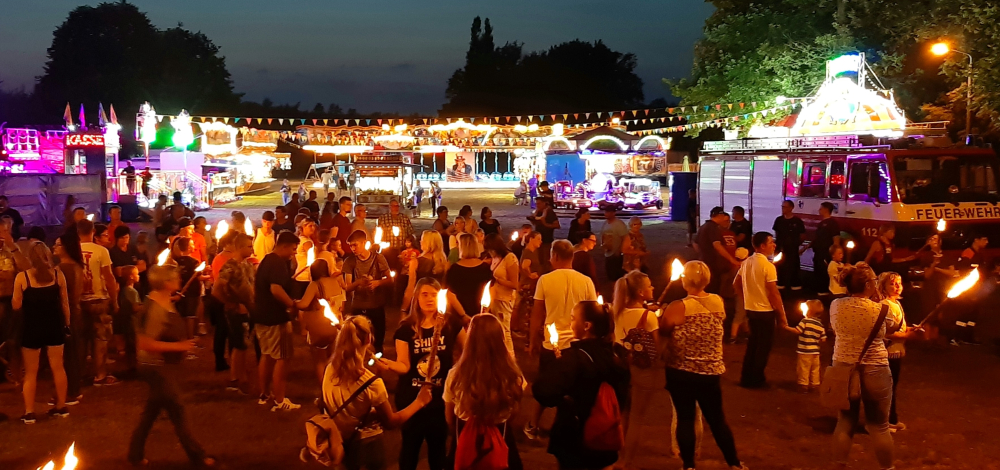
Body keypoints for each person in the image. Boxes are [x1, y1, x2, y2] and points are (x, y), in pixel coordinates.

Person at [659, 261, 747, 470]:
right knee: (717, 419)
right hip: (710, 371)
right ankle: (734, 463)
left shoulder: (678, 307)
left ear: (684, 280)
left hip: (681, 371)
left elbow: (663, 330)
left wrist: (658, 312)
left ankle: (689, 465)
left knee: (685, 418)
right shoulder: (717, 302)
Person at [314, 315, 433, 469]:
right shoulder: (371, 383)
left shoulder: (330, 369)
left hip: (339, 440)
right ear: (369, 339)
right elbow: (391, 421)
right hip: (367, 446)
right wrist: (419, 402)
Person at [128, 266, 215, 468]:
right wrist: (179, 346)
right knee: (178, 411)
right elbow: (144, 343)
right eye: (175, 278)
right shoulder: (155, 309)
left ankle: (135, 455)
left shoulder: (162, 299)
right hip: (156, 367)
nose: (179, 280)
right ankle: (198, 456)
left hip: (163, 367)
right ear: (166, 283)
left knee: (150, 413)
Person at [380, 278, 468, 470]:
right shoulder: (405, 329)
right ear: (416, 298)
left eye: (434, 295)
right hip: (413, 398)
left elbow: (468, 351)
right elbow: (404, 365)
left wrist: (458, 373)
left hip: (441, 398)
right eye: (424, 294)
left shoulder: (451, 324)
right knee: (410, 449)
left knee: (438, 450)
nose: (429, 299)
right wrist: (390, 365)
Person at [532, 300, 629, 470]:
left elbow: (544, 391)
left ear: (586, 326)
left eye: (573, 318)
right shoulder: (616, 354)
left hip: (575, 439)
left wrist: (557, 377)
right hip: (606, 438)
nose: (570, 323)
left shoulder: (576, 358)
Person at [830, 263, 900, 469]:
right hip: (875, 368)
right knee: (879, 426)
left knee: (845, 422)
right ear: (869, 284)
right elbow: (895, 326)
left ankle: (838, 466)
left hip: (843, 367)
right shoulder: (881, 310)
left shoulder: (836, 305)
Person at [525, 240, 598, 439]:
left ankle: (533, 424)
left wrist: (533, 340)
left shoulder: (545, 280)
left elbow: (537, 314)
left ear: (555, 256)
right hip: (577, 344)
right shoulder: (585, 282)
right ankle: (569, 425)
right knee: (575, 388)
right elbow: (592, 313)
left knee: (544, 385)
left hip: (552, 343)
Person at [443, 314, 524, 469]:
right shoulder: (513, 375)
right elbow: (514, 410)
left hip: (464, 436)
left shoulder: (455, 375)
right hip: (502, 434)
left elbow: (449, 417)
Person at [14, 242, 71, 424]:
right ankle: (61, 406)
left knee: (31, 372)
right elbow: (65, 304)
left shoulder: (23, 278)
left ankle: (29, 411)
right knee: (58, 366)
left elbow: (16, 305)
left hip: (32, 328)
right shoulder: (57, 275)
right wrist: (67, 324)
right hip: (54, 326)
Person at [611, 270, 662, 470]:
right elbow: (657, 349)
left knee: (623, 415)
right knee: (637, 419)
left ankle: (618, 455)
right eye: (649, 286)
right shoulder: (649, 318)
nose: (653, 288)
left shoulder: (617, 312)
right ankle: (626, 461)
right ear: (641, 292)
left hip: (621, 369)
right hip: (642, 372)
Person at [253, 231, 301, 411]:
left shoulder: (266, 260)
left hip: (261, 316)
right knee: (282, 357)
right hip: (275, 318)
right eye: (293, 249)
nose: (294, 253)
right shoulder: (277, 263)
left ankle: (264, 394)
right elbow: (276, 289)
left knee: (267, 355)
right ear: (284, 246)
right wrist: (292, 304)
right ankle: (280, 400)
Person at [735, 232, 789, 389]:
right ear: (762, 246)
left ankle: (746, 377)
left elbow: (736, 283)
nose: (774, 245)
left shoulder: (747, 262)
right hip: (765, 311)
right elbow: (773, 292)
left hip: (751, 309)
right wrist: (782, 316)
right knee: (763, 347)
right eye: (771, 242)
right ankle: (757, 379)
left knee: (753, 344)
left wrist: (746, 299)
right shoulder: (768, 266)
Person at [874, 271, 920, 433]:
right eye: (892, 284)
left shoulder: (896, 304)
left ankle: (892, 418)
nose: (897, 287)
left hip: (897, 352)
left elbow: (898, 327)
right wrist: (906, 335)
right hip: (887, 353)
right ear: (883, 286)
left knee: (892, 387)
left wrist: (909, 329)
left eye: (899, 283)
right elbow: (886, 332)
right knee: (885, 388)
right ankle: (882, 421)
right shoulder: (885, 305)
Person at [78, 219, 119, 386]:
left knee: (81, 339)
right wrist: (114, 300)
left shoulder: (72, 251)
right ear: (93, 232)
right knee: (100, 339)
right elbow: (108, 277)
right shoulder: (101, 251)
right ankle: (100, 374)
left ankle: (78, 374)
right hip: (98, 298)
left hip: (79, 300)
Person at [214, 233, 255, 394]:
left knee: (243, 345)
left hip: (247, 310)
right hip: (236, 312)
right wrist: (231, 303)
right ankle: (235, 379)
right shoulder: (230, 266)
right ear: (240, 247)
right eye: (249, 246)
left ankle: (241, 376)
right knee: (239, 345)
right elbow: (217, 289)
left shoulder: (247, 265)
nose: (252, 249)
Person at [295, 258, 346, 386]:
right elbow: (342, 304)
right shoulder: (336, 282)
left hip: (321, 326)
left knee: (320, 360)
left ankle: (325, 388)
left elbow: (304, 304)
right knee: (334, 358)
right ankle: (336, 385)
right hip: (338, 325)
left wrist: (293, 302)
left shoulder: (315, 285)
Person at [343, 230, 392, 353]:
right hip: (358, 306)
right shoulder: (350, 261)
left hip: (376, 305)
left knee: (378, 341)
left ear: (364, 243)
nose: (353, 248)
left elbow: (390, 279)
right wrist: (358, 282)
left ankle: (379, 369)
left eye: (355, 245)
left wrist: (377, 283)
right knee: (357, 341)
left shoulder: (378, 258)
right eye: (350, 245)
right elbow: (347, 287)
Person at [54, 233, 85, 405]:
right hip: (75, 313)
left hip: (67, 314)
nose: (54, 247)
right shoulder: (76, 266)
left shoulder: (64, 268)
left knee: (67, 354)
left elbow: (64, 296)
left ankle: (70, 391)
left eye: (58, 245)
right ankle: (73, 389)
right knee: (73, 353)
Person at [484, 233, 519, 357]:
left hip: (505, 299)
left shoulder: (510, 258)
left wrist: (498, 280)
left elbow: (515, 284)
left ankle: (511, 358)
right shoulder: (496, 258)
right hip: (495, 297)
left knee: (505, 330)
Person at [444, 233, 493, 321]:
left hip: (459, 313)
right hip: (481, 310)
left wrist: (463, 315)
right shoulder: (485, 268)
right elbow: (491, 291)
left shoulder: (454, 269)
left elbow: (450, 294)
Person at [783, 299, 826, 393]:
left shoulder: (805, 321)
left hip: (804, 351)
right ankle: (815, 384)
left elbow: (798, 331)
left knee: (803, 367)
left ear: (808, 311)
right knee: (815, 368)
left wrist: (786, 327)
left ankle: (803, 385)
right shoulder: (820, 325)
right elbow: (823, 339)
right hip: (815, 352)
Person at [696, 207, 740, 294]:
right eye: (723, 215)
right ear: (719, 215)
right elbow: (717, 245)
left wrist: (702, 254)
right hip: (713, 263)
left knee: (706, 286)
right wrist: (732, 260)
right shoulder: (713, 228)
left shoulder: (703, 227)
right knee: (713, 287)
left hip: (704, 261)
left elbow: (695, 243)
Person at [402, 231, 448, 310]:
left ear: (428, 243)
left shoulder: (416, 262)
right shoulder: (444, 263)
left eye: (422, 239)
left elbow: (410, 288)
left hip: (421, 303)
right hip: (438, 302)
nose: (420, 241)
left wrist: (404, 308)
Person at [801, 202, 841, 292]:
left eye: (821, 208)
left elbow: (836, 239)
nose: (819, 210)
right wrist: (805, 248)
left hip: (825, 253)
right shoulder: (821, 223)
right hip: (818, 253)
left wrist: (835, 254)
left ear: (826, 210)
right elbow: (816, 239)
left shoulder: (832, 223)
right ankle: (819, 290)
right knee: (818, 272)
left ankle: (825, 292)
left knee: (824, 273)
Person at [773, 200, 806, 290]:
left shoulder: (797, 221)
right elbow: (776, 233)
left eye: (785, 207)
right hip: (780, 248)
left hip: (792, 249)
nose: (783, 209)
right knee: (780, 266)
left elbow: (802, 235)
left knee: (793, 266)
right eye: (782, 206)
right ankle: (780, 283)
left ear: (791, 208)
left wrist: (796, 245)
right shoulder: (779, 220)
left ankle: (795, 285)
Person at [377, 198, 414, 275]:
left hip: (401, 249)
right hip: (388, 250)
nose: (396, 208)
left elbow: (410, 232)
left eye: (397, 206)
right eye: (394, 206)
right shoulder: (383, 218)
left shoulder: (404, 218)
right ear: (389, 207)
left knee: (400, 270)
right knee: (389, 269)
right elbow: (379, 233)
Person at [528, 197, 559, 268]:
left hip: (546, 240)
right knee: (539, 259)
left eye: (539, 203)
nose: (537, 205)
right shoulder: (538, 211)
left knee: (546, 260)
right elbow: (536, 224)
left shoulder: (550, 212)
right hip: (538, 240)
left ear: (544, 203)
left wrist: (545, 223)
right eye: (536, 204)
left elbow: (557, 225)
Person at [600, 207, 629, 282]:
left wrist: (621, 250)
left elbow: (625, 238)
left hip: (616, 254)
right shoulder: (605, 223)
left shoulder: (619, 224)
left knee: (616, 275)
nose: (606, 214)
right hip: (608, 253)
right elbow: (603, 235)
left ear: (613, 213)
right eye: (605, 212)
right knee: (610, 275)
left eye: (608, 212)